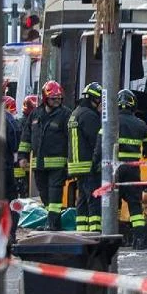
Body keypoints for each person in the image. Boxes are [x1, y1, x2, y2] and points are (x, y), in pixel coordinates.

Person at [30, 81, 72, 230]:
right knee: (44, 194)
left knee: (55, 196)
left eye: (59, 98)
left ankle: (52, 224)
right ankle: (53, 222)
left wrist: (69, 162)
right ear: (45, 98)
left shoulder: (65, 114)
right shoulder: (35, 114)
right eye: (54, 98)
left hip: (57, 165)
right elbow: (26, 136)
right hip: (39, 164)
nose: (57, 101)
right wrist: (22, 156)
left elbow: (71, 140)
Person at [113, 89, 147, 238]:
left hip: (115, 168)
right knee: (134, 203)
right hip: (133, 169)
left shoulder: (112, 122)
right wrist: (146, 153)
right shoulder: (140, 124)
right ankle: (139, 238)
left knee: (114, 201)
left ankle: (115, 234)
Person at [68, 83, 104, 233]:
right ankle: (95, 230)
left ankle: (82, 229)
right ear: (93, 99)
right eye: (99, 100)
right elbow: (96, 140)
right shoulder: (89, 116)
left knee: (82, 199)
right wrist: (97, 161)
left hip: (76, 165)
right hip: (88, 164)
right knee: (94, 198)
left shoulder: (75, 113)